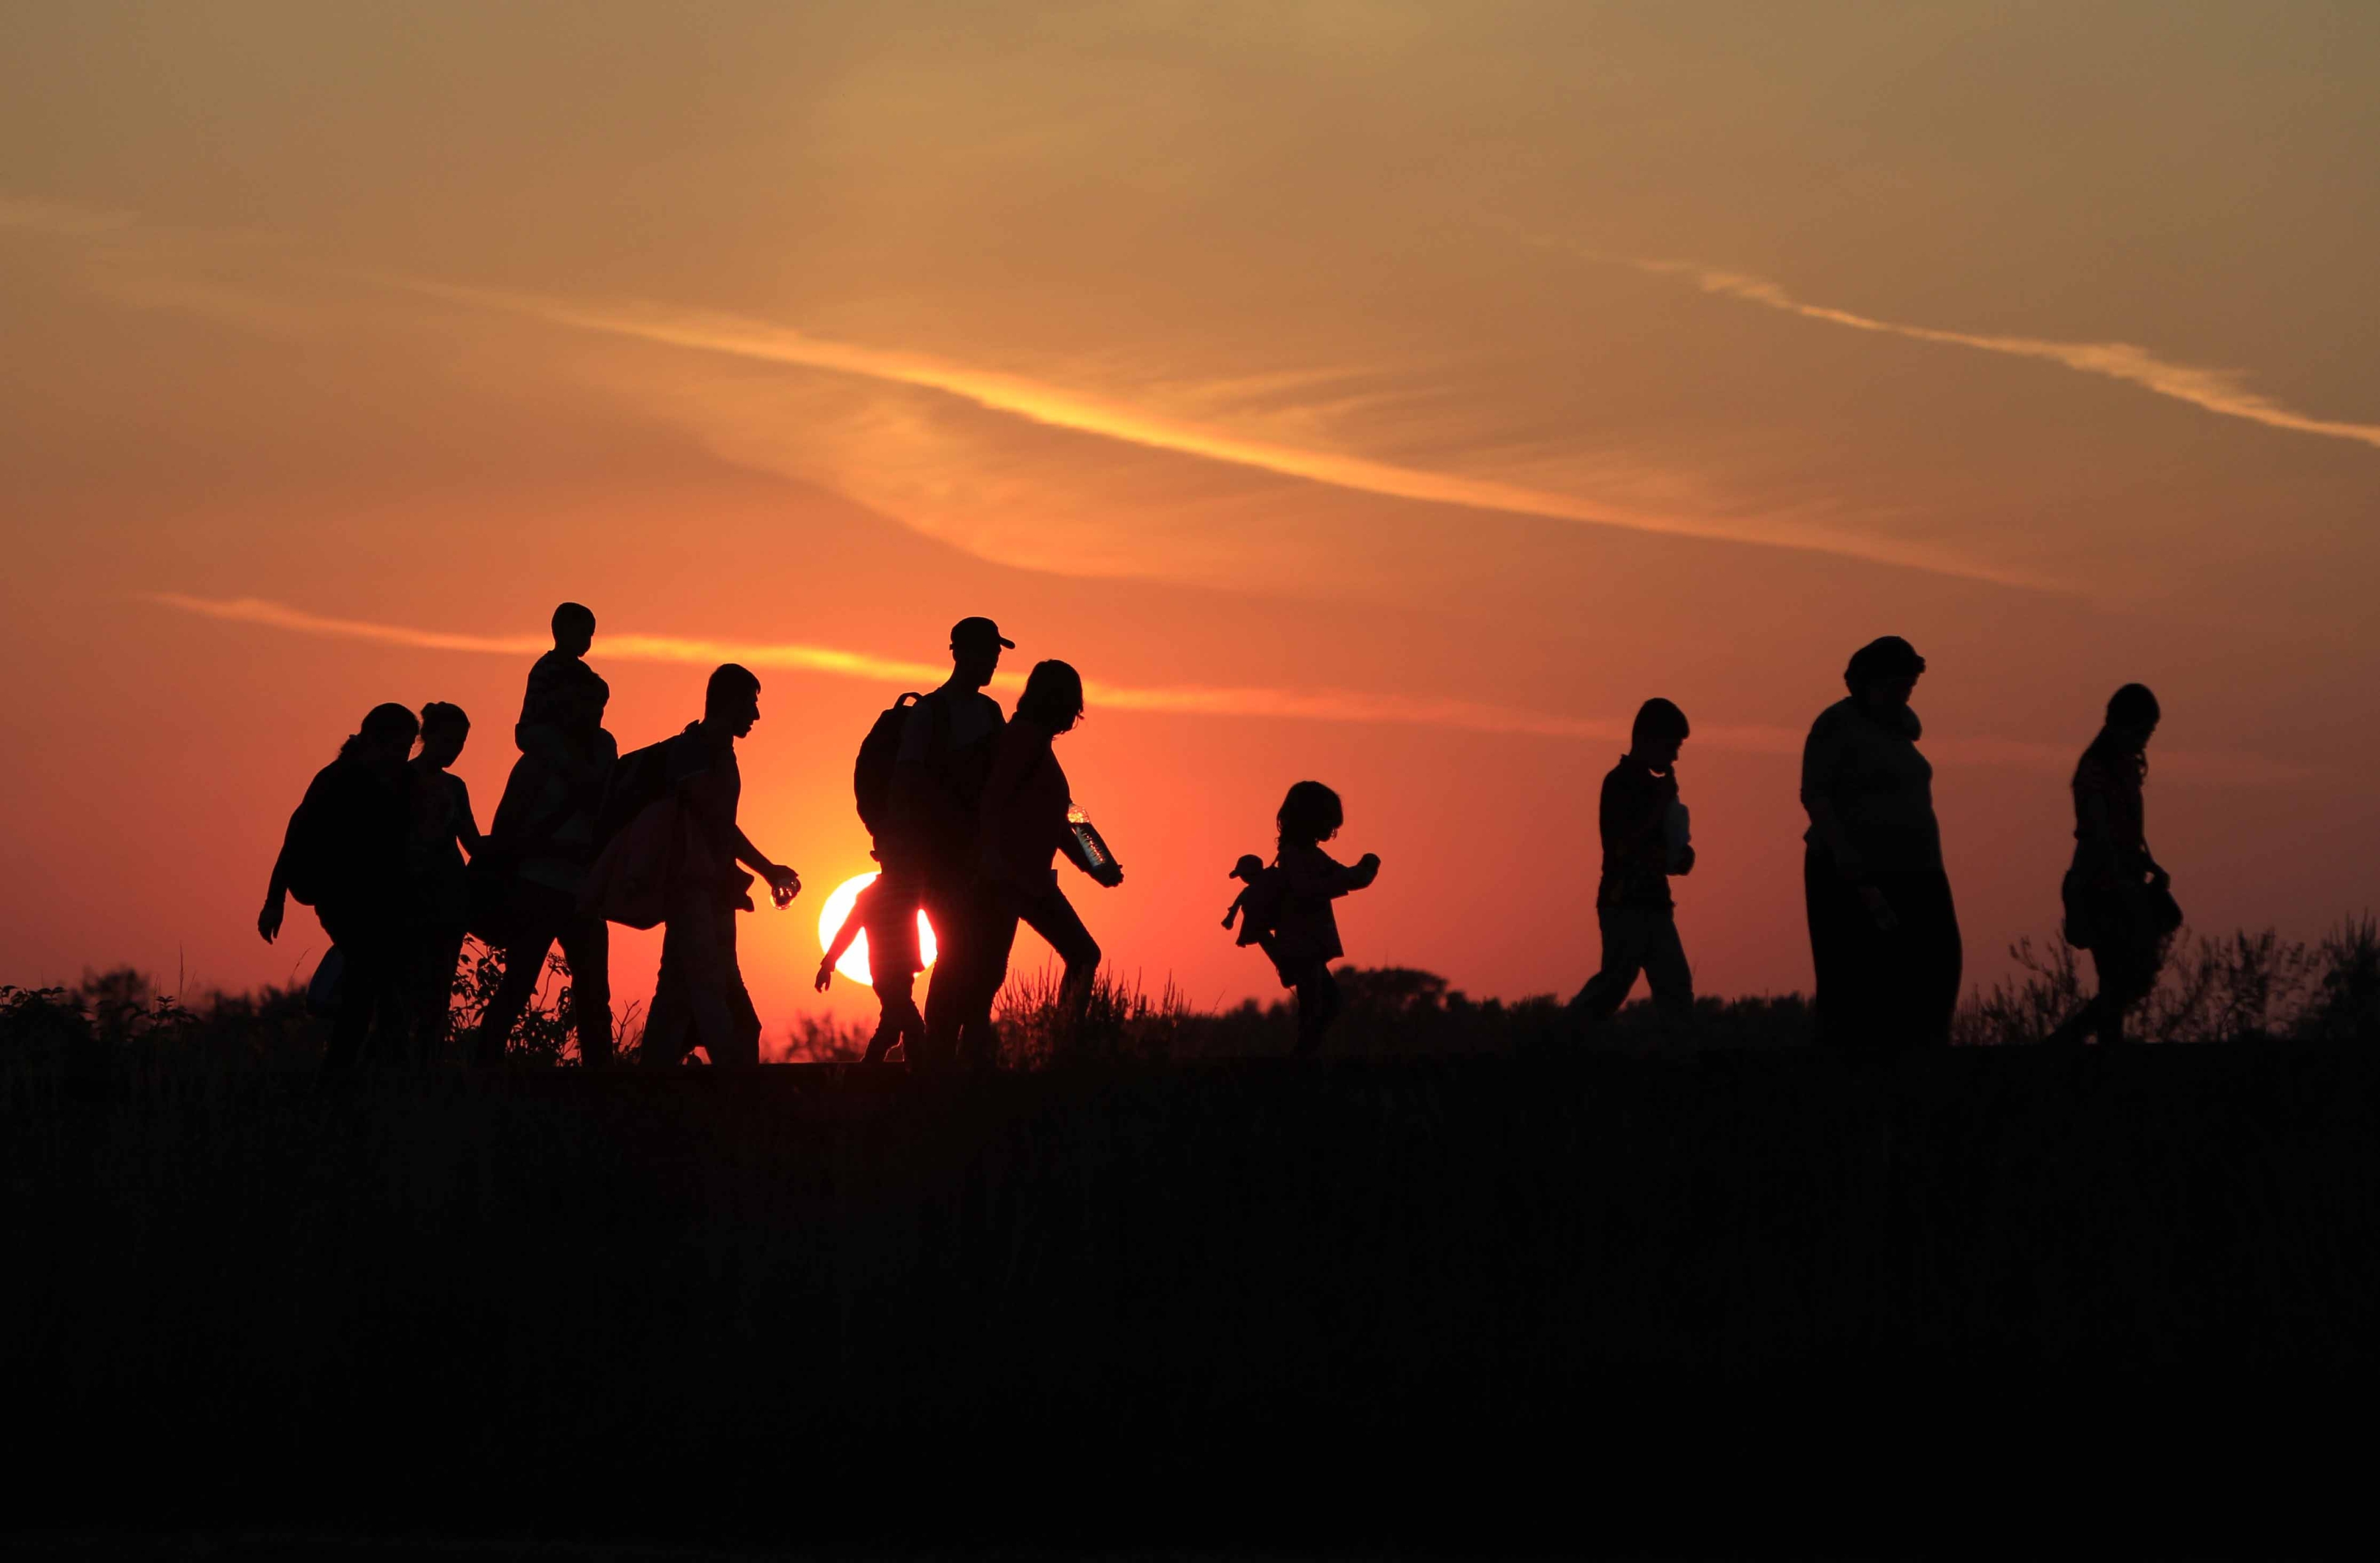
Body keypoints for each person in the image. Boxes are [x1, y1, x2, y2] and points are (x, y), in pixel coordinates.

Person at [1801, 636, 1962, 1062]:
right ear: (1871, 682)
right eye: (1898, 683)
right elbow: (1815, 794)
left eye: (1910, 684)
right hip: (1855, 877)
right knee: (1854, 983)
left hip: (1920, 872)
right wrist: (1846, 856)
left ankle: (1922, 1061)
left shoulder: (1901, 733)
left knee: (1938, 968)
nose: (1906, 691)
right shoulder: (1836, 725)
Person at [639, 664, 802, 1068]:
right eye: (751, 703)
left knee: (675, 1004)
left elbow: (720, 826)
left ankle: (641, 1094)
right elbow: (715, 822)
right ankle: (738, 1096)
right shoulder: (695, 749)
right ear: (729, 702)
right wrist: (768, 870)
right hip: (693, 892)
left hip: (711, 894)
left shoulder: (718, 751)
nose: (756, 715)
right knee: (720, 1008)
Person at [259, 702, 420, 1071]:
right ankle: (341, 1078)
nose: (402, 755)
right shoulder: (336, 779)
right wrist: (274, 901)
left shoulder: (404, 782)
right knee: (368, 983)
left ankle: (371, 1074)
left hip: (384, 900)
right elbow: (295, 838)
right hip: (340, 898)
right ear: (373, 741)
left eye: (408, 747)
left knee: (384, 989)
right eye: (397, 746)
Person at [887, 617, 1012, 1070]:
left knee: (982, 963)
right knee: (957, 955)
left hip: (981, 860)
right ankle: (936, 1060)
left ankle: (966, 1059)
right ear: (959, 653)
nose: (994, 660)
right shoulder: (930, 714)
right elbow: (907, 785)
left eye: (996, 653)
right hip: (940, 863)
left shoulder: (991, 712)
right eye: (986, 652)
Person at [977, 661, 1124, 1046]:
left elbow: (1069, 815)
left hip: (1032, 881)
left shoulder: (1038, 747)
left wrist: (1100, 863)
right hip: (1007, 880)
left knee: (1081, 955)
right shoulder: (1022, 742)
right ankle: (966, 1056)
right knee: (988, 973)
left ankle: (1061, 1041)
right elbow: (992, 801)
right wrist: (993, 862)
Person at [481, 672, 617, 1065]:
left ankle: (600, 1082)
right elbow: (506, 828)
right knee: (520, 983)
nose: (594, 715)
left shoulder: (604, 756)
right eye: (586, 705)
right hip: (538, 886)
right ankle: (484, 1068)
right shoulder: (536, 765)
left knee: (594, 993)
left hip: (584, 891)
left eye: (600, 707)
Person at [2047, 684, 2176, 1046]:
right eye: (2142, 731)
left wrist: (2147, 865)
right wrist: (2123, 877)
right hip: (2101, 885)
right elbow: (2098, 833)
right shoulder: (2096, 770)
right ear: (2122, 725)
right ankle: (2079, 1044)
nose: (2145, 740)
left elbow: (2125, 833)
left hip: (2123, 880)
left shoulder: (2122, 768)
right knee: (2121, 978)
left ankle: (2084, 1043)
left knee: (2126, 980)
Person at [1570, 698, 1696, 1041]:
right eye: (1672, 746)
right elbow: (1625, 843)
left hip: (1655, 903)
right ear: (1648, 740)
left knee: (1675, 987)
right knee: (1614, 984)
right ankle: (1558, 1037)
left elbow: (1660, 847)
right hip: (1623, 903)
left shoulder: (1656, 789)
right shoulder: (1619, 783)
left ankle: (1683, 1058)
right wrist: (1661, 804)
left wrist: (1680, 856)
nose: (1675, 757)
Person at [1269, 780, 1381, 1058]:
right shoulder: (1294, 856)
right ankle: (1301, 1062)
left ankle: (1304, 1057)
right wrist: (1355, 875)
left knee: (1325, 1005)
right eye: (1328, 823)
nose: (1331, 831)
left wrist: (1364, 871)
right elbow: (1306, 889)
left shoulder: (1309, 855)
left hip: (1308, 945)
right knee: (1319, 1006)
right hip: (1300, 945)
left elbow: (1343, 876)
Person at [405, 701, 481, 1063]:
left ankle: (425, 1067)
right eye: (449, 740)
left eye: (462, 743)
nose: (455, 750)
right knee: (403, 991)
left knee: (438, 991)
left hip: (449, 898)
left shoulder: (456, 786)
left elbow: (473, 843)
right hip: (407, 899)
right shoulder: (400, 780)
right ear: (427, 736)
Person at [815, 870, 926, 1064]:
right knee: (911, 1025)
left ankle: (898, 1071)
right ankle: (912, 1072)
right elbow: (848, 930)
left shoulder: (910, 889)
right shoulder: (871, 896)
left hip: (903, 970)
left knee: (893, 1025)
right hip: (885, 973)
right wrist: (828, 963)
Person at [518, 602, 607, 774]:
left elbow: (597, 691)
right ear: (563, 632)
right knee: (555, 746)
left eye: (590, 635)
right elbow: (551, 707)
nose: (587, 641)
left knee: (605, 741)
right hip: (538, 729)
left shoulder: (583, 671)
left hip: (572, 730)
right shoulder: (547, 667)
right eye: (582, 634)